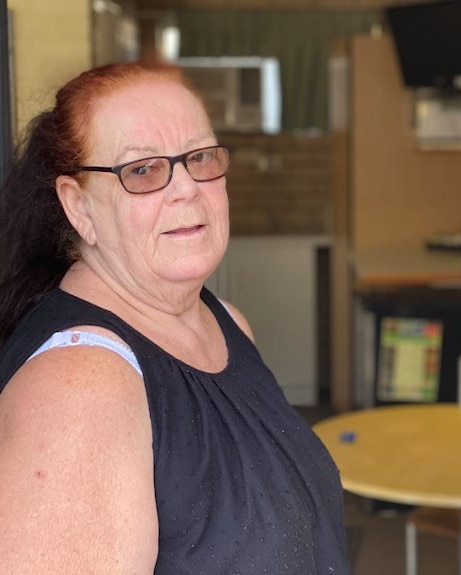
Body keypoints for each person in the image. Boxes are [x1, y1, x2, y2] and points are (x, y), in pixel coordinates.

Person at [0, 60, 350, 573]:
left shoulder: (226, 323)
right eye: (142, 170)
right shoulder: (80, 386)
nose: (187, 188)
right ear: (79, 208)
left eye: (201, 158)